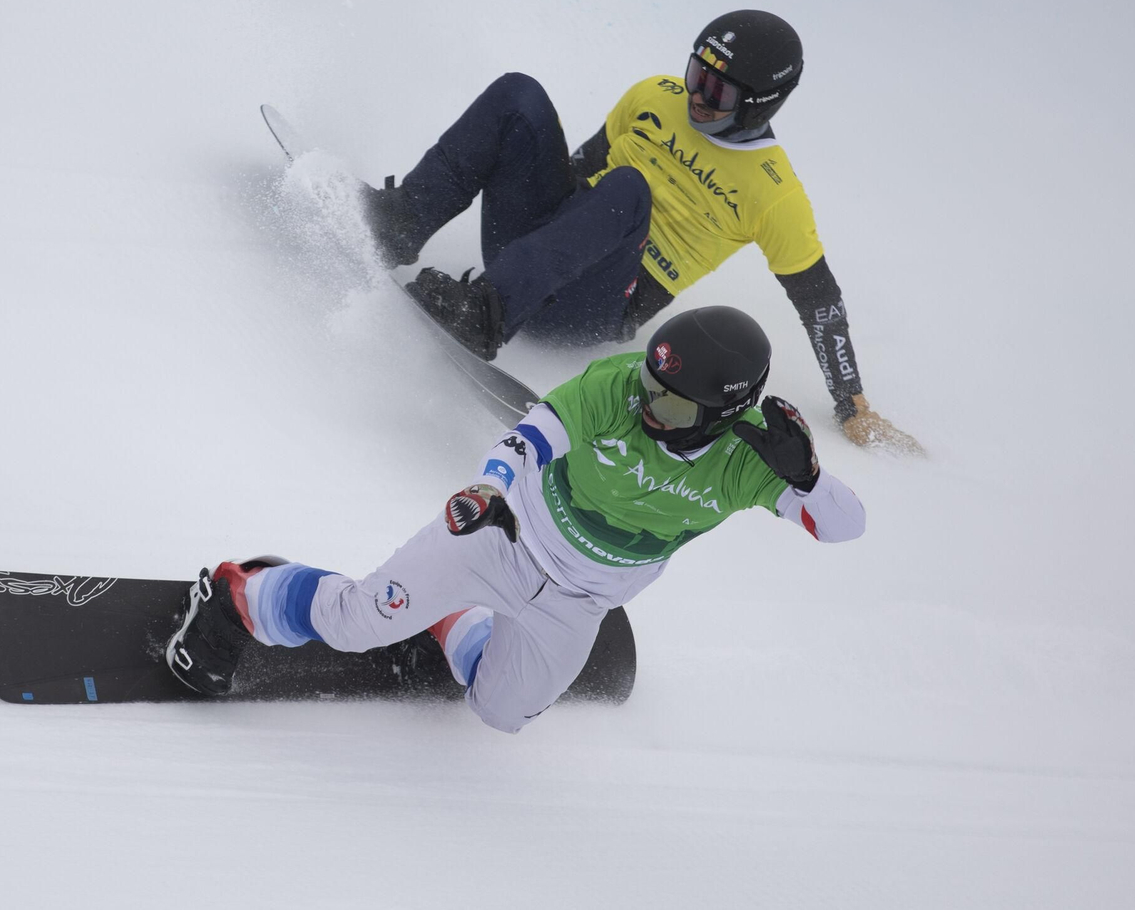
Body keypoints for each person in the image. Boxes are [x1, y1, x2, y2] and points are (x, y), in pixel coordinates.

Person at [165, 306, 865, 733]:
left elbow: (845, 527)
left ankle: (450, 620)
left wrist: (807, 479)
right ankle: (237, 595)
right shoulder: (616, 388)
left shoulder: (751, 462)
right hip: (501, 538)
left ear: (722, 412)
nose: (650, 407)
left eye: (674, 404)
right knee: (354, 626)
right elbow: (525, 441)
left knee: (500, 714)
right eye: (652, 385)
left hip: (580, 600)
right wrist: (489, 488)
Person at [362, 9, 916, 451]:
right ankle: (399, 223)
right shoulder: (654, 95)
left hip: (593, 305)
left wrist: (853, 405)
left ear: (759, 104)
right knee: (518, 95)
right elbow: (577, 171)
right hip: (539, 252)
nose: (698, 96)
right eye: (697, 75)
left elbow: (820, 302)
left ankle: (484, 316)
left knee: (628, 188)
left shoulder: (776, 195)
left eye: (719, 93)